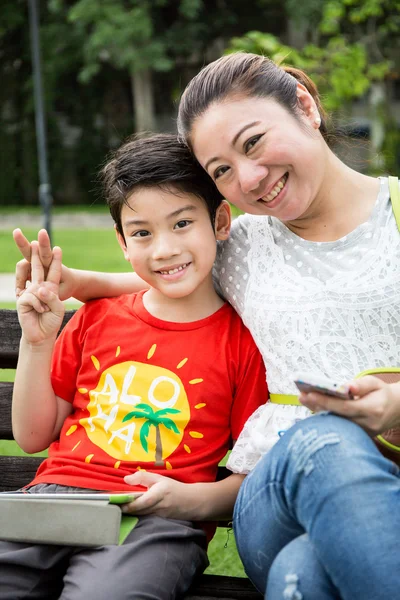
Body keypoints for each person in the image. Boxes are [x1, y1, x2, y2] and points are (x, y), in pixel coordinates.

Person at [14, 52, 400, 599]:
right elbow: (169, 274)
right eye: (221, 171)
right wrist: (74, 281)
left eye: (253, 142)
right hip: (279, 488)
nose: (248, 179)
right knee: (326, 439)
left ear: (305, 108)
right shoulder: (247, 244)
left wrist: (395, 406)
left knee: (305, 575)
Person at [2, 133, 268, 600]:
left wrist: (188, 500)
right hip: (51, 503)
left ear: (220, 221)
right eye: (143, 232)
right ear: (123, 243)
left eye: (182, 223)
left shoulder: (242, 344)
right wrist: (36, 342)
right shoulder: (97, 317)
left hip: (155, 521)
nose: (163, 249)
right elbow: (32, 436)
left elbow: (250, 475)